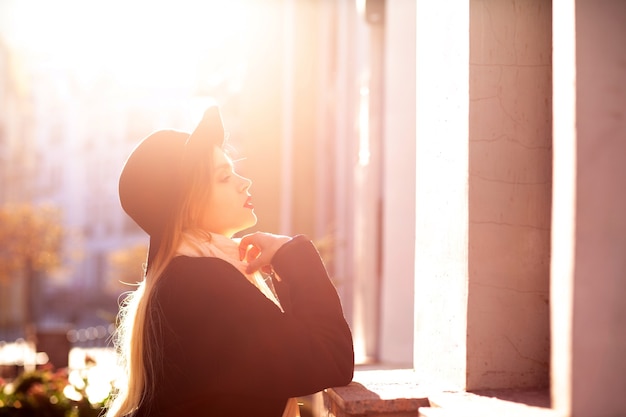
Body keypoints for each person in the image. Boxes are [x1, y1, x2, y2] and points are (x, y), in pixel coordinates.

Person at [106, 106, 354, 417]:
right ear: (186, 204)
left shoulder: (181, 278)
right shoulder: (204, 285)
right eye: (224, 177)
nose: (244, 182)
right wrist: (292, 254)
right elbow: (331, 358)